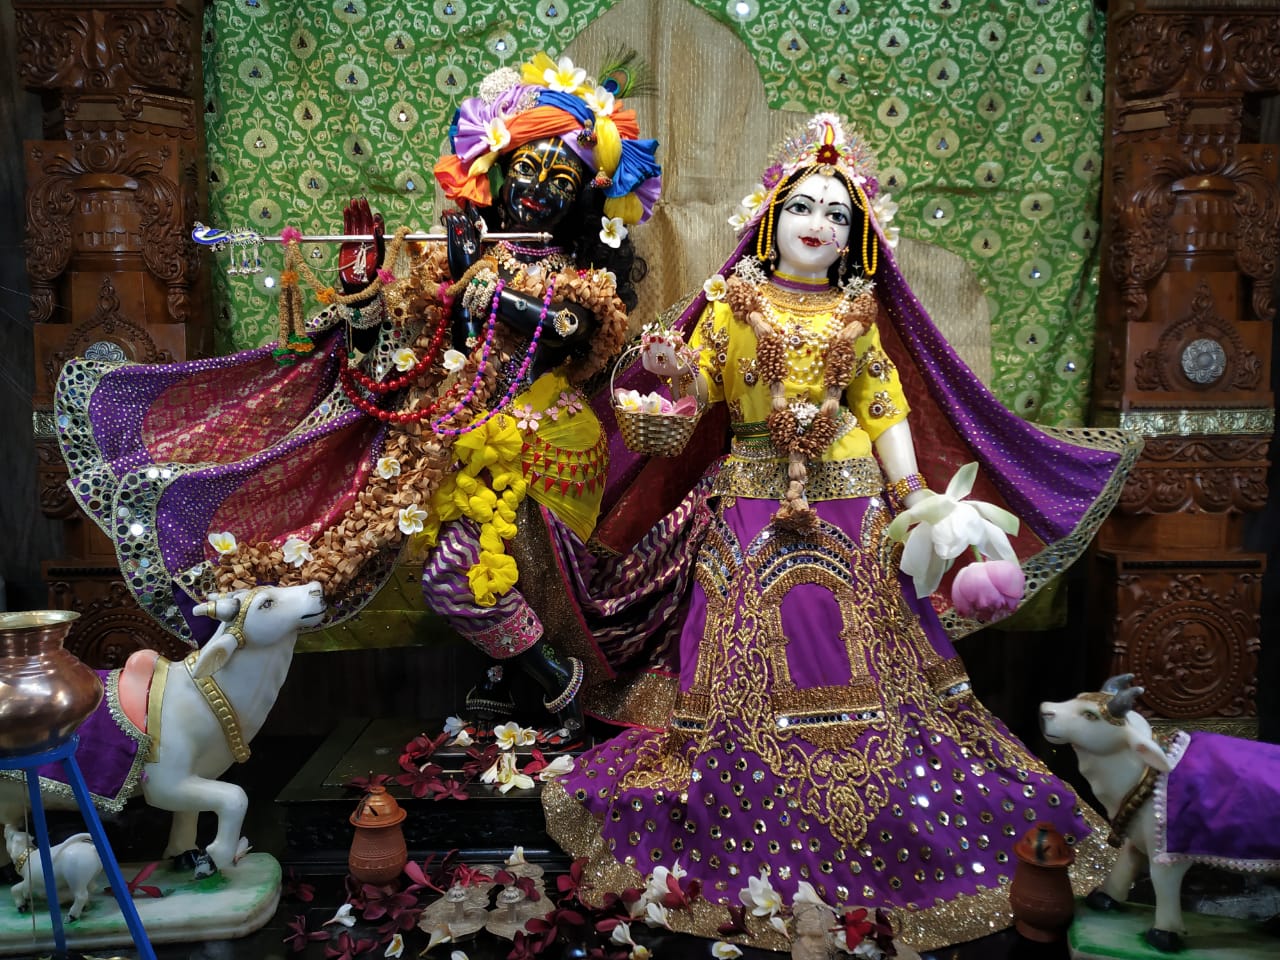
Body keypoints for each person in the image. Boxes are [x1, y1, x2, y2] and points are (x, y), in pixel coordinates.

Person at [540, 114, 1141, 951]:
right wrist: (673, 372)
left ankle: (887, 800)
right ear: (769, 219)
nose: (818, 222)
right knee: (747, 659)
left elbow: (883, 405)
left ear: (856, 235)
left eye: (836, 212)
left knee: (876, 656)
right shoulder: (730, 303)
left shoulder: (860, 314)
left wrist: (913, 493)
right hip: (754, 504)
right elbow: (699, 391)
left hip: (852, 507)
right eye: (802, 206)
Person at [52, 51, 661, 732]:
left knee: (471, 574)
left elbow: (567, 330)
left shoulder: (580, 276)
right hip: (451, 437)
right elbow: (391, 353)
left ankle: (552, 679)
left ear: (586, 198)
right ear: (496, 169)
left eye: (561, 179)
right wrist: (361, 290)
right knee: (458, 566)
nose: (540, 190)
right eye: (526, 168)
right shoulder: (454, 254)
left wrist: (483, 282)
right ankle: (517, 672)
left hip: (539, 443)